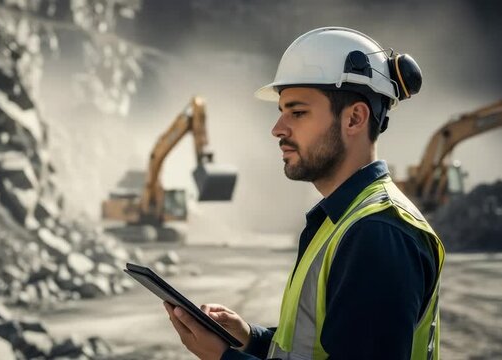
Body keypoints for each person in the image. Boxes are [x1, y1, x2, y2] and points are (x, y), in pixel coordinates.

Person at [163, 27, 445, 360]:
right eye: (281, 112)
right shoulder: (345, 220)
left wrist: (224, 358)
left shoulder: (377, 233)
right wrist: (250, 339)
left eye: (297, 113)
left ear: (354, 118)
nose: (278, 129)